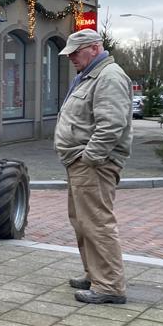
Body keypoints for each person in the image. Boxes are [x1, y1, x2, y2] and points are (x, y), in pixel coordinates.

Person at [54, 28, 133, 304]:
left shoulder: (108, 77)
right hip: (81, 163)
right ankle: (96, 274)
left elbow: (111, 126)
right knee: (82, 222)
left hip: (93, 165)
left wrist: (90, 158)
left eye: (76, 53)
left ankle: (109, 285)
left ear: (95, 48)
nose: (71, 58)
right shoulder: (89, 76)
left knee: (97, 222)